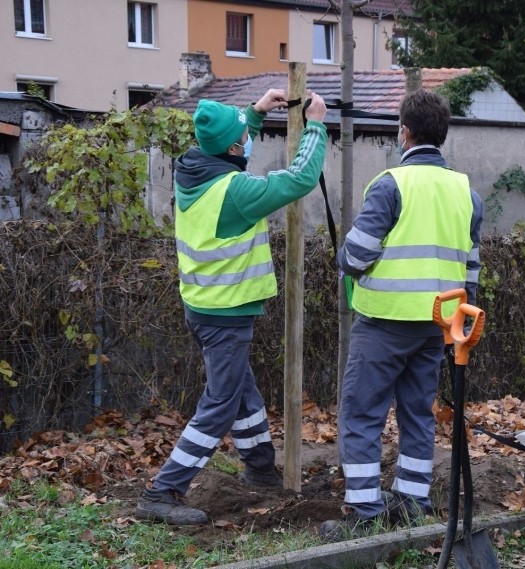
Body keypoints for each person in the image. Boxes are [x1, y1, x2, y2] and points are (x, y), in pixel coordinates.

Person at [135, 89, 328, 525]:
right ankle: (162, 491)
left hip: (204, 305)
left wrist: (254, 114)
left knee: (242, 390)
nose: (246, 145)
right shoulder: (235, 192)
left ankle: (260, 468)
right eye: (243, 140)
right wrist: (315, 126)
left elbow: (232, 155)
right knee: (222, 401)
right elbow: (297, 180)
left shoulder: (195, 169)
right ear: (233, 148)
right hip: (224, 311)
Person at [321, 89, 483, 540]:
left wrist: (343, 258)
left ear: (404, 132)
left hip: (384, 322)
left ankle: (365, 510)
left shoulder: (390, 184)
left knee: (361, 412)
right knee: (417, 413)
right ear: (442, 135)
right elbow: (471, 264)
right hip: (437, 324)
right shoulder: (465, 191)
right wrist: (460, 321)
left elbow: (357, 255)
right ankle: (412, 502)